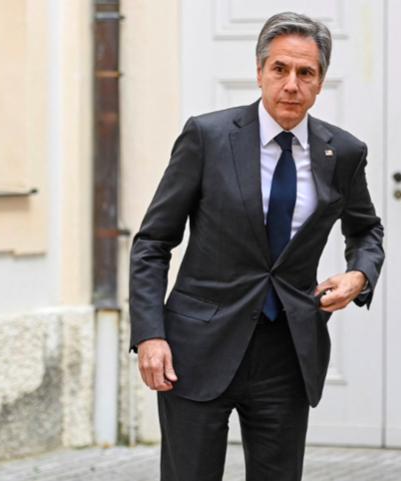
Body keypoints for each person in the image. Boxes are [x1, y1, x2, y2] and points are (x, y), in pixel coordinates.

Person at [129, 11, 385, 481]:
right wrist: (150, 334)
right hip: (197, 348)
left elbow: (366, 230)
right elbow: (153, 242)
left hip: (287, 350)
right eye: (280, 69)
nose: (292, 85)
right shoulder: (208, 137)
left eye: (305, 73)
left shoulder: (343, 153)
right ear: (259, 71)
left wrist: (359, 275)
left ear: (320, 81)